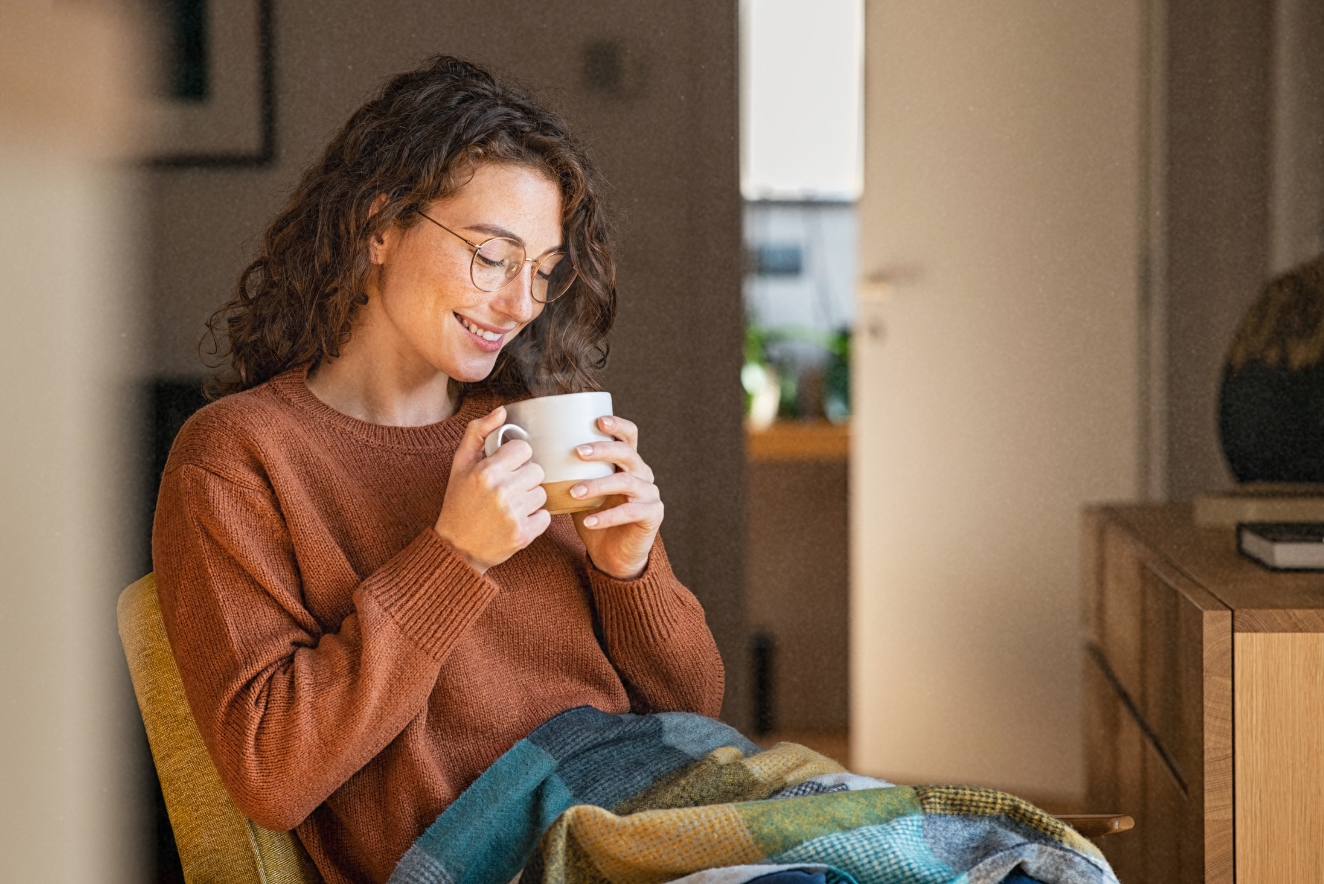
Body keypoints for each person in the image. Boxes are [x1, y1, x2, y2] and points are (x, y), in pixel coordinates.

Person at [152, 56, 725, 884]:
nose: (521, 303)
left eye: (541, 270)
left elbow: (692, 713)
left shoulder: (529, 428)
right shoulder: (238, 458)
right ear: (380, 225)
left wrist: (630, 569)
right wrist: (455, 558)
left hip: (656, 815)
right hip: (497, 857)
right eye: (493, 256)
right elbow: (272, 771)